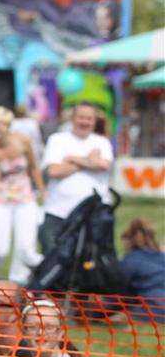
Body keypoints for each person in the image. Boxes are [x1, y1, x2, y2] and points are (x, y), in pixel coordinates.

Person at [0, 106, 45, 286]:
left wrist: (43, 190)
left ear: (8, 126)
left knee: (25, 247)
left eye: (0, 124)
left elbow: (34, 167)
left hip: (24, 198)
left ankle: (19, 281)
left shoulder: (23, 141)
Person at [39, 103, 114, 255]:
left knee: (94, 256)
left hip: (95, 211)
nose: (85, 122)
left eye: (89, 118)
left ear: (94, 121)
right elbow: (54, 171)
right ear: (72, 119)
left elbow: (104, 165)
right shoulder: (57, 139)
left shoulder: (101, 142)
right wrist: (89, 161)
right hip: (58, 210)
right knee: (52, 254)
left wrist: (73, 159)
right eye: (81, 117)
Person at [118, 219, 165, 323]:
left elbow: (118, 290)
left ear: (130, 240)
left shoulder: (130, 260)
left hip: (153, 309)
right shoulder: (162, 256)